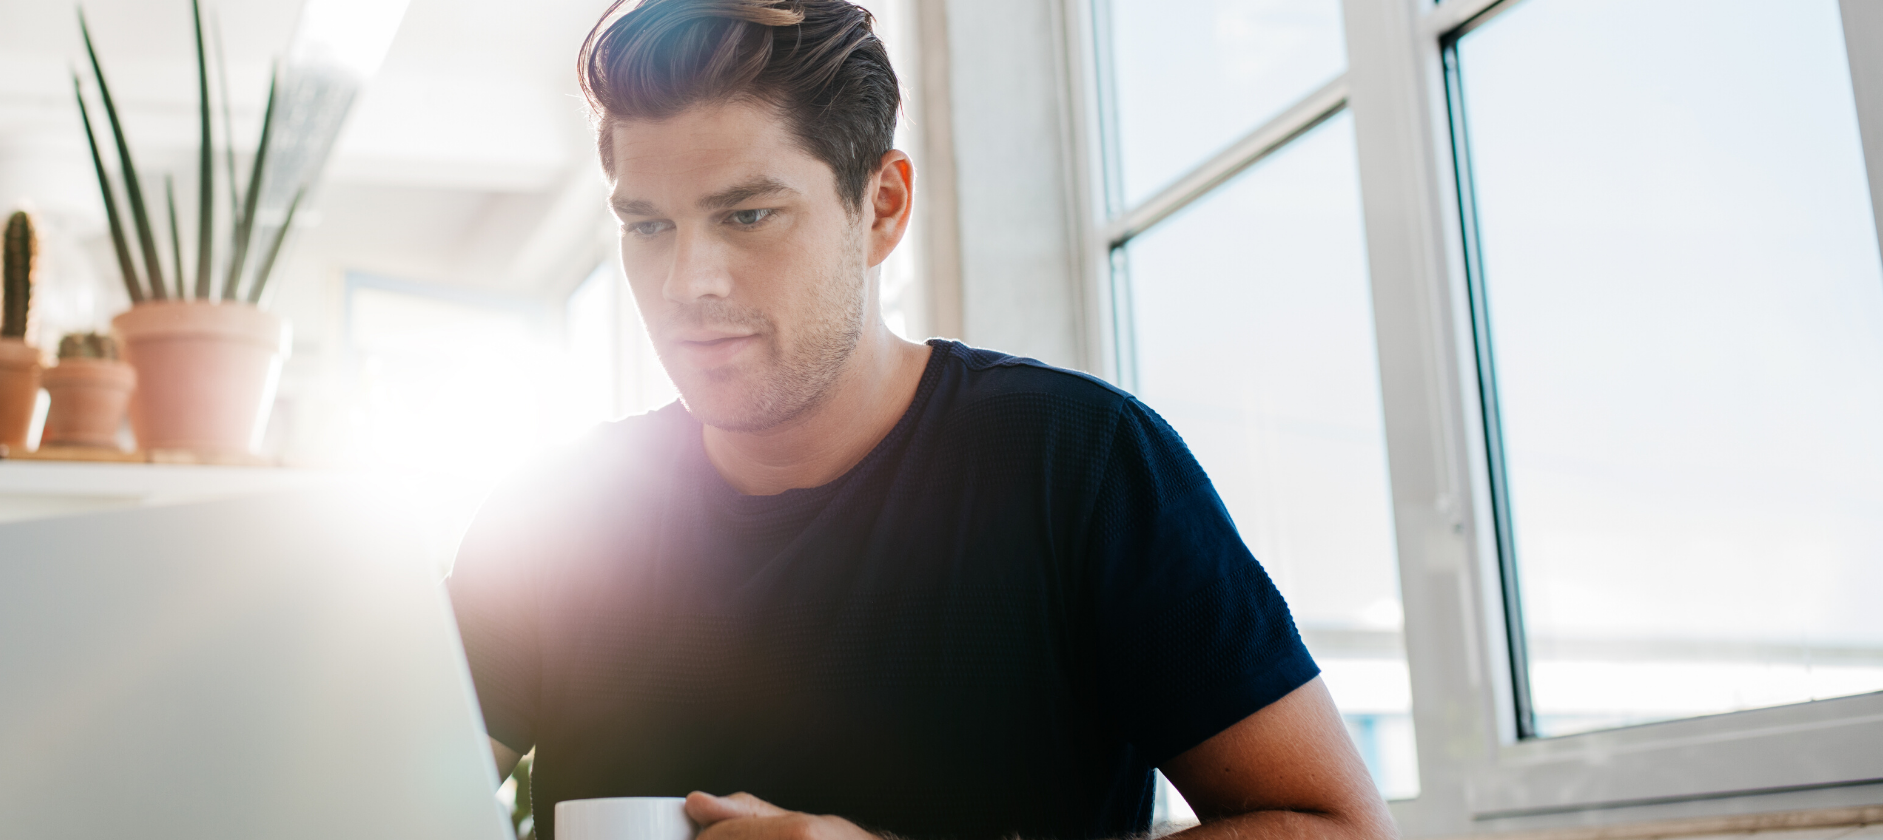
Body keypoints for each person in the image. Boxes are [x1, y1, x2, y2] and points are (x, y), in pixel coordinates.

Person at [445, 1, 1399, 839]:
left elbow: (1341, 829)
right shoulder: (553, 519)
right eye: (649, 226)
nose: (688, 283)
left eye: (747, 215)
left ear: (883, 208)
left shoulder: (1079, 465)